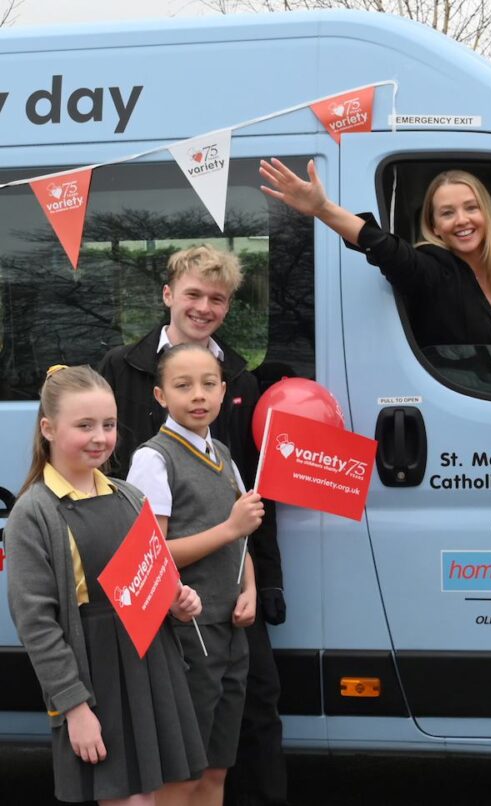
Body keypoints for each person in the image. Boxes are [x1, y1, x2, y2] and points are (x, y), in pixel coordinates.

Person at [98, 245, 288, 806]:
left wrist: (258, 584)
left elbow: (248, 500)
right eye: (193, 295)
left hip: (227, 599)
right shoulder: (121, 369)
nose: (203, 307)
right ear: (167, 296)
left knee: (238, 728)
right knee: (179, 751)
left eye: (218, 299)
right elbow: (126, 510)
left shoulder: (239, 385)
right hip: (168, 600)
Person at [5, 364, 206, 805]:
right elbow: (37, 624)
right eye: (84, 425)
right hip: (95, 680)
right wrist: (74, 708)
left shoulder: (130, 497)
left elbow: (153, 580)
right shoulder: (33, 513)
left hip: (151, 664)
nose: (100, 437)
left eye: (109, 425)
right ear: (48, 428)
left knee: (159, 795)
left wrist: (176, 602)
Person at [126, 343, 264, 806]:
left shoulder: (222, 452)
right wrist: (229, 528)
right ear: (161, 395)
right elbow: (153, 556)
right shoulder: (154, 458)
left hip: (229, 630)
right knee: (181, 774)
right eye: (183, 386)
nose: (198, 395)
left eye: (208, 384)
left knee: (216, 770)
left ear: (224, 392)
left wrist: (250, 588)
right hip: (187, 636)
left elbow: (242, 535)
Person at [258, 158, 491, 348]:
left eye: (470, 208)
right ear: (434, 226)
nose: (462, 220)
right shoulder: (432, 269)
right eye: (447, 213)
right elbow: (384, 247)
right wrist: (323, 209)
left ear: (487, 214)